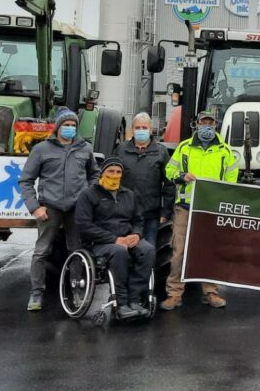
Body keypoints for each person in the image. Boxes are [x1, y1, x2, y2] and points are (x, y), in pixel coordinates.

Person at [19, 107, 98, 312]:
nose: (70, 129)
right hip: (50, 207)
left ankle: (77, 290)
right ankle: (36, 293)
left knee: (77, 250)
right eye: (66, 125)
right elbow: (26, 180)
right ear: (58, 127)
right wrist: (35, 207)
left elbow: (94, 175)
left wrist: (87, 197)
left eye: (73, 125)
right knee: (41, 251)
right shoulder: (42, 149)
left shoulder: (85, 149)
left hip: (76, 209)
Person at [161, 109, 239, 310]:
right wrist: (182, 176)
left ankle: (211, 292)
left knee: (208, 251)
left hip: (210, 209)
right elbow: (169, 171)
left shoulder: (226, 151)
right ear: (196, 124)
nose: (207, 127)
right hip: (185, 208)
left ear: (216, 125)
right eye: (203, 123)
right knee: (179, 251)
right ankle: (174, 294)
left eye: (210, 123)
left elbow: (231, 182)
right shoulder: (184, 148)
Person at [75, 157, 156, 320]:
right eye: (110, 171)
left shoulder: (129, 194)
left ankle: (135, 300)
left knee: (148, 250)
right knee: (119, 252)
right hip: (101, 242)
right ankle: (121, 303)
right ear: (102, 173)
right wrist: (114, 239)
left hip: (128, 238)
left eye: (118, 172)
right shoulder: (88, 195)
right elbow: (84, 225)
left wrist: (136, 234)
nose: (114, 175)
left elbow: (138, 220)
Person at [115, 112, 173, 247]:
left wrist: (165, 211)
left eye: (144, 128)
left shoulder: (161, 152)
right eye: (138, 128)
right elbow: (111, 176)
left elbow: (169, 184)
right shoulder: (121, 150)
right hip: (124, 213)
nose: (141, 131)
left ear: (151, 130)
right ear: (132, 130)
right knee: (123, 249)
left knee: (148, 250)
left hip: (150, 215)